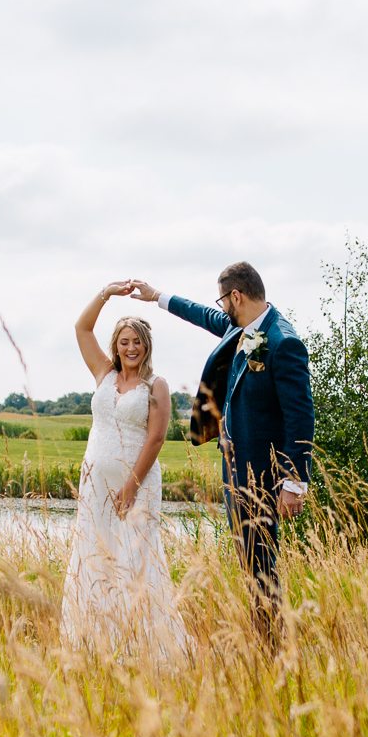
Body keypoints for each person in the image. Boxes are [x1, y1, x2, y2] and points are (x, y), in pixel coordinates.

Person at [129, 262, 314, 646]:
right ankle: (264, 636)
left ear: (236, 296)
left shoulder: (283, 342)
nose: (222, 308)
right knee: (249, 559)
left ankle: (271, 645)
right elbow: (204, 315)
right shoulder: (242, 327)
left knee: (261, 560)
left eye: (224, 300)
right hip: (235, 467)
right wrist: (157, 297)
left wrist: (293, 482)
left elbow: (301, 416)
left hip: (261, 473)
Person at [58, 281, 189, 658]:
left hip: (137, 486)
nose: (130, 348)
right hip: (95, 487)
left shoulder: (156, 385)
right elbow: (81, 329)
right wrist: (106, 293)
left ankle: (146, 646)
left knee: (133, 561)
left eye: (137, 342)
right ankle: (95, 642)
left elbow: (157, 439)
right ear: (115, 345)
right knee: (94, 557)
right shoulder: (103, 373)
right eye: (124, 341)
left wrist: (131, 486)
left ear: (146, 346)